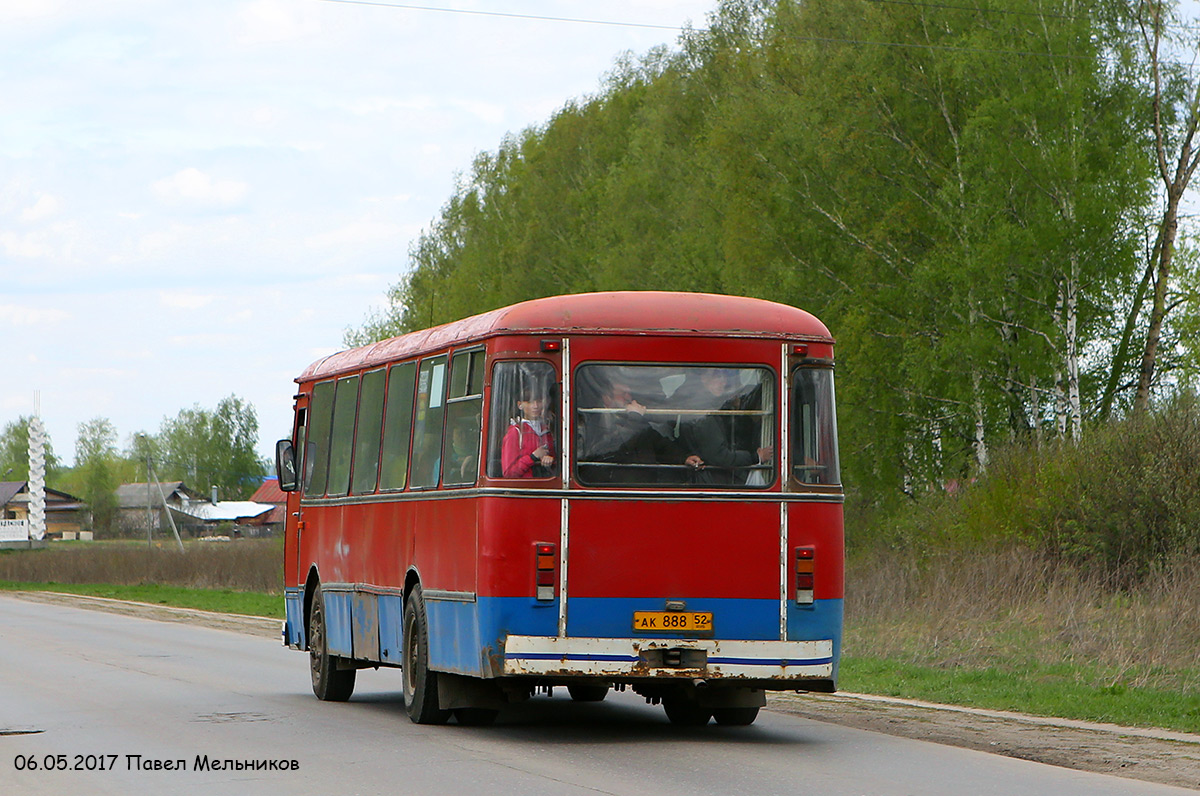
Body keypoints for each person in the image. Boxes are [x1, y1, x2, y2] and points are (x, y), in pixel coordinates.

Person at [578, 375, 702, 484]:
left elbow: (658, 443)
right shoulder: (596, 421)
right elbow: (615, 447)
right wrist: (634, 417)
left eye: (629, 393)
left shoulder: (633, 420)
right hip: (616, 488)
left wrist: (683, 458)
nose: (628, 397)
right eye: (622, 394)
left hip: (644, 484)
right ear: (607, 399)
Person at [680, 368, 772, 485]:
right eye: (717, 376)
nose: (723, 382)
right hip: (712, 482)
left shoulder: (716, 407)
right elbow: (720, 456)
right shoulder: (704, 413)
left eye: (725, 377)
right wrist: (756, 457)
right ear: (703, 379)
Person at [501, 386, 556, 478]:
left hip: (545, 485)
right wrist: (532, 457)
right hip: (525, 487)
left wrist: (550, 460)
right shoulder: (515, 432)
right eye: (529, 402)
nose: (535, 406)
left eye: (539, 401)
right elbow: (509, 473)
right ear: (520, 405)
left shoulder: (546, 430)